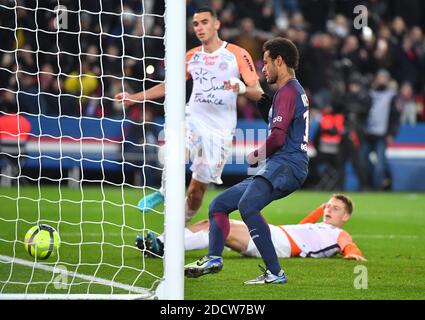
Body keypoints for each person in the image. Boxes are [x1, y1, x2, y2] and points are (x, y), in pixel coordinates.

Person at [115, 7, 263, 224]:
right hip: (193, 120)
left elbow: (258, 92)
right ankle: (164, 191)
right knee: (175, 152)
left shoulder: (237, 54)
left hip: (220, 131)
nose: (200, 28)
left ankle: (174, 233)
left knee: (195, 193)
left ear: (216, 25)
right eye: (196, 24)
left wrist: (240, 88)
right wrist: (134, 97)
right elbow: (169, 85)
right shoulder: (191, 56)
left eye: (204, 22)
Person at [184, 37, 309, 284]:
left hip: (288, 164)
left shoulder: (288, 92)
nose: (263, 68)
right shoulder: (290, 92)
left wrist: (256, 154)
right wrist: (243, 89)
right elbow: (272, 115)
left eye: (266, 62)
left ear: (279, 61)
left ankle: (275, 273)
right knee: (219, 204)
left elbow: (277, 137)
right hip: (283, 164)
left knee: (248, 206)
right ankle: (213, 258)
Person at [137, 194, 366, 262]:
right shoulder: (318, 226)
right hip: (278, 235)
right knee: (213, 222)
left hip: (281, 244)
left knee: (221, 225)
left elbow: (348, 245)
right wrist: (321, 208)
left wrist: (355, 256)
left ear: (345, 216)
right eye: (329, 205)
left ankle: (164, 246)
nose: (329, 209)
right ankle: (161, 242)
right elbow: (303, 225)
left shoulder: (338, 233)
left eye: (335, 208)